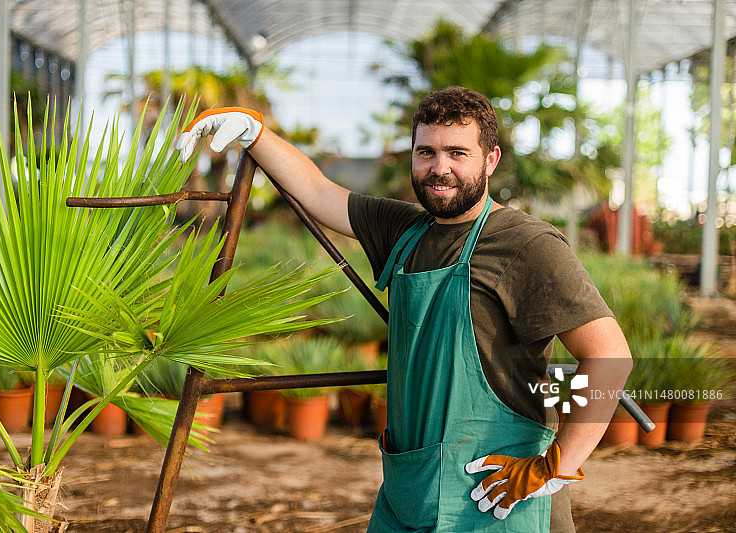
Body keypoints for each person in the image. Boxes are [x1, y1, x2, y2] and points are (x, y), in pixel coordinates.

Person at [176, 87, 632, 532]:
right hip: (410, 490)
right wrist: (254, 132)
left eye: (458, 153)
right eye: (426, 152)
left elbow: (610, 356)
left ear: (490, 160)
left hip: (498, 495)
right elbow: (315, 190)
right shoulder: (404, 229)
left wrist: (555, 467)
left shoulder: (526, 244)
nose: (440, 168)